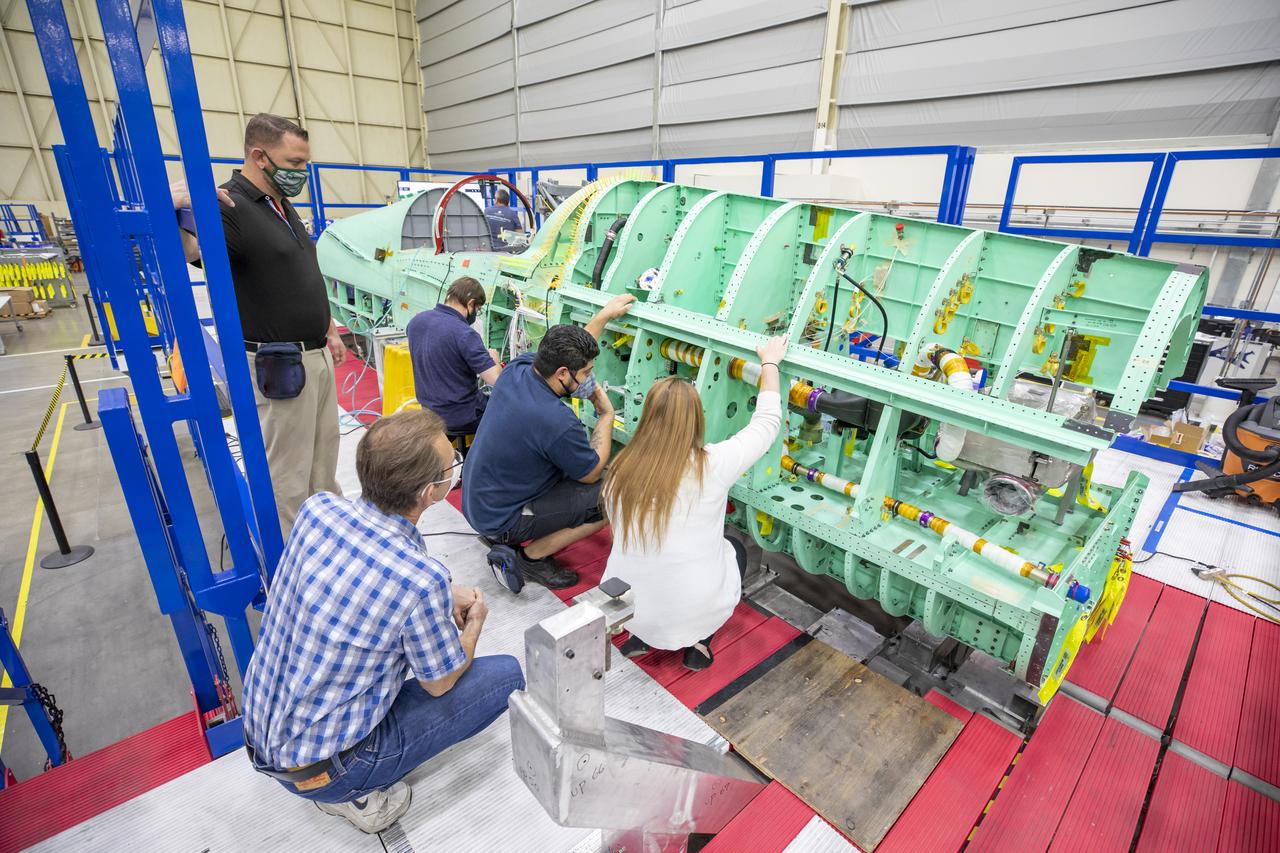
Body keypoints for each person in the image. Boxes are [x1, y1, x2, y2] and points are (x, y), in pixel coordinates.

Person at [242, 408, 525, 833]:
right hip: (326, 771)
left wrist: (440, 595)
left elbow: (359, 574)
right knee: (506, 676)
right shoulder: (419, 580)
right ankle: (355, 795)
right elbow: (440, 682)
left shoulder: (317, 510)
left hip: (260, 734)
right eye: (452, 464)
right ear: (431, 493)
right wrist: (474, 623)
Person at [172, 112, 345, 533]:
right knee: (287, 473)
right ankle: (296, 561)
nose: (302, 173)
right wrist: (169, 203)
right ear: (259, 156)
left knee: (323, 463)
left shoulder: (281, 206)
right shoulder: (227, 205)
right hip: (280, 365)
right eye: (294, 164)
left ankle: (330, 540)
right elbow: (188, 254)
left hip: (315, 355)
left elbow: (299, 271)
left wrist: (327, 327)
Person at [601, 335, 787, 670]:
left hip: (627, 608)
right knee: (736, 548)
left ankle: (641, 636)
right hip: (690, 612)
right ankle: (700, 640)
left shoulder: (620, 469)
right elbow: (768, 422)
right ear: (696, 419)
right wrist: (770, 362)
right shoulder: (712, 464)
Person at [461, 293, 636, 589]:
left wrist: (603, 317)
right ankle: (530, 559)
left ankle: (512, 532)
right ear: (563, 374)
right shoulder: (556, 421)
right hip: (500, 518)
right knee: (609, 497)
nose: (589, 380)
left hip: (478, 499)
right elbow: (591, 471)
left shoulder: (519, 369)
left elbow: (569, 356)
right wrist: (606, 416)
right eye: (587, 373)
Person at [405, 276, 501, 437]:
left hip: (429, 412)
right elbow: (496, 380)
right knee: (508, 410)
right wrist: (495, 360)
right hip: (462, 416)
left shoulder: (415, 322)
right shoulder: (464, 333)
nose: (476, 314)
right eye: (477, 309)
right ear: (470, 303)